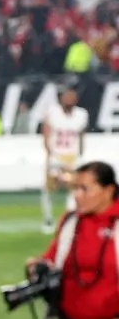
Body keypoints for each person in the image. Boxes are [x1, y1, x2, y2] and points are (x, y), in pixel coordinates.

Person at [30, 161, 119, 319]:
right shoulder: (70, 221)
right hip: (68, 318)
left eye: (84, 189)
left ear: (108, 191)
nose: (76, 195)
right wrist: (38, 267)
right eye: (75, 188)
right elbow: (53, 258)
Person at [41, 84, 88, 234]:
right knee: (49, 188)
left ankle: (70, 218)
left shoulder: (81, 114)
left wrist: (80, 154)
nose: (69, 99)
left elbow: (81, 135)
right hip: (56, 156)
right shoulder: (53, 113)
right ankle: (48, 219)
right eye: (67, 97)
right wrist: (49, 154)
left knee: (74, 188)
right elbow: (46, 133)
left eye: (72, 97)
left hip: (72, 157)